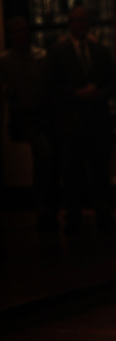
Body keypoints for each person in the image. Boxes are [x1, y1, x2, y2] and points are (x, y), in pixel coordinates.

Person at [44, 6, 116, 234]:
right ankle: (73, 217)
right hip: (71, 121)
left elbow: (113, 82)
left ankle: (104, 216)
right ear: (70, 23)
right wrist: (76, 94)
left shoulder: (100, 51)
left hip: (96, 120)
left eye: (85, 21)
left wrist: (98, 92)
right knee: (72, 173)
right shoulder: (57, 52)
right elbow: (51, 85)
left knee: (100, 171)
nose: (82, 25)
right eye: (77, 21)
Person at [0, 16, 59, 229]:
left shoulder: (42, 56)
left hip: (45, 114)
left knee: (49, 159)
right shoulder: (5, 61)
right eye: (16, 31)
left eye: (23, 30)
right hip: (26, 115)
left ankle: (48, 207)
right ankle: (43, 206)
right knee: (45, 155)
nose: (21, 35)